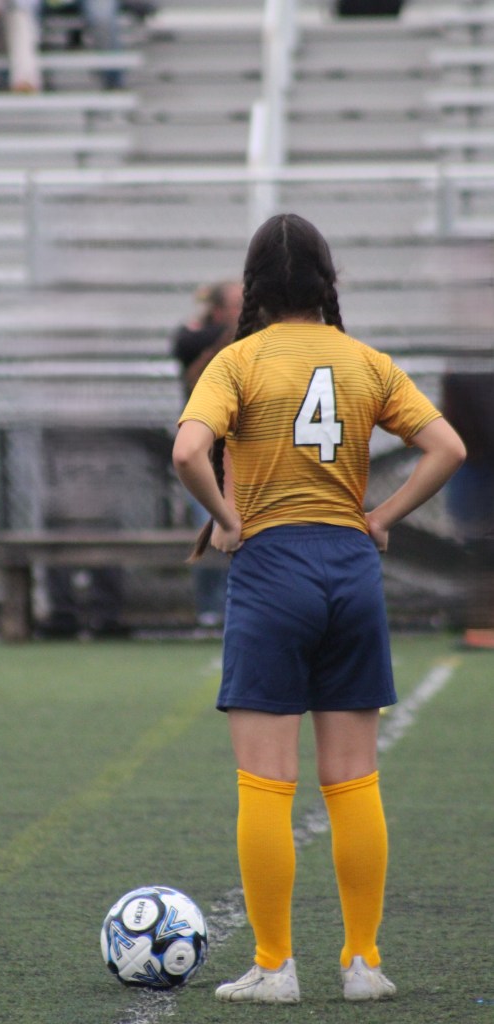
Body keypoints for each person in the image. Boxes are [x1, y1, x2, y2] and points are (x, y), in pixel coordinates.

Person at [172, 213, 466, 1004]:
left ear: (254, 288)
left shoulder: (236, 361)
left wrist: (225, 519)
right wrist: (382, 516)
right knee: (354, 781)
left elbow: (187, 451)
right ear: (327, 283)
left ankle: (274, 967)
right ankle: (363, 963)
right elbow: (447, 447)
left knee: (265, 783)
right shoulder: (366, 361)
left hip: (272, 572)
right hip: (350, 572)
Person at [171, 281, 243, 628]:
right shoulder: (198, 338)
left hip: (242, 452)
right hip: (208, 452)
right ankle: (211, 608)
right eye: (237, 304)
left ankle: (235, 605)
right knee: (210, 526)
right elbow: (184, 341)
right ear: (219, 310)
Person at [442, 371, 494, 648]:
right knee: (479, 550)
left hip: (476, 464)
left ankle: (482, 627)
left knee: (481, 551)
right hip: (474, 464)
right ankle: (481, 628)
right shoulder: (461, 373)